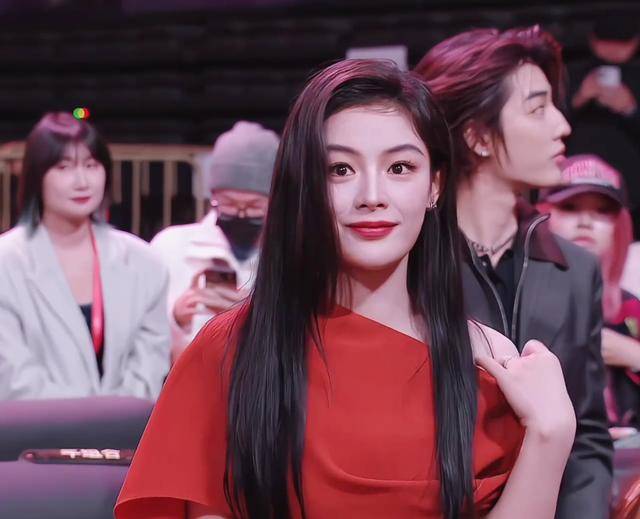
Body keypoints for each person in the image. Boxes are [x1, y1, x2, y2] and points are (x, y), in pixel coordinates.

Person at [115, 60, 575, 519]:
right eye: (340, 169)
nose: (371, 195)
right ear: (305, 187)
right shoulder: (228, 352)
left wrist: (550, 436)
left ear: (434, 185)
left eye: (399, 167)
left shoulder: (489, 362)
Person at [415, 26, 613, 518]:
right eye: (537, 108)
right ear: (478, 137)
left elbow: (587, 432)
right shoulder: (411, 262)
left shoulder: (575, 269)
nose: (562, 125)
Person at [0, 112, 170, 400]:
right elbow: (14, 378)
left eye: (91, 165)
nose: (82, 182)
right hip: (35, 426)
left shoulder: (145, 263)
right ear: (36, 177)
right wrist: (84, 419)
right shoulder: (6, 262)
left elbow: (149, 370)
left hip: (129, 427)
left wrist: (113, 419)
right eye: (64, 167)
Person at [150, 121, 277, 360]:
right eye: (228, 203)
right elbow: (142, 336)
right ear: (213, 196)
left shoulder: (296, 256)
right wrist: (177, 319)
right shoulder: (170, 247)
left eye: (254, 206)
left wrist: (252, 316)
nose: (240, 214)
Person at [538, 155, 640, 437]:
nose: (586, 222)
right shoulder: (520, 293)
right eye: (569, 207)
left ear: (620, 224)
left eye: (602, 211)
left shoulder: (631, 308)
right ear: (543, 213)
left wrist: (631, 353)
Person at [567, 14, 640, 236]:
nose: (613, 50)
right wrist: (580, 97)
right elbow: (544, 130)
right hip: (576, 184)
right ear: (593, 40)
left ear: (635, 42)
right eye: (607, 42)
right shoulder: (570, 74)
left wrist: (630, 109)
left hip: (632, 190)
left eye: (621, 43)